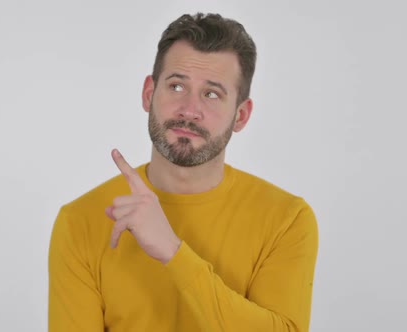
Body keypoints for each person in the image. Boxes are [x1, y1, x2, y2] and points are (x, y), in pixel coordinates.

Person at [48, 12, 318, 332]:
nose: (190, 110)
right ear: (149, 93)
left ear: (241, 115)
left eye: (212, 93)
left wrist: (174, 253)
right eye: (177, 86)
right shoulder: (81, 220)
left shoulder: (287, 219)